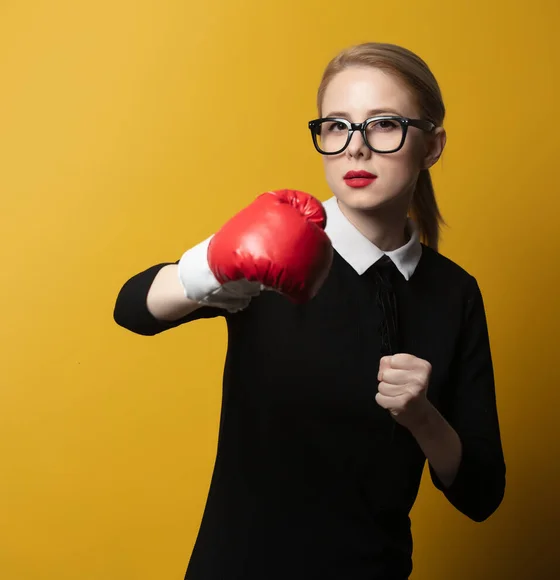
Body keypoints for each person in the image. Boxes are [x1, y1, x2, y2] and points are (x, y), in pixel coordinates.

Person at [113, 42, 506, 580]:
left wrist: (423, 417)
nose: (355, 150)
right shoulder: (282, 246)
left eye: (383, 125)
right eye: (336, 126)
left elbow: (481, 493)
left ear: (432, 145)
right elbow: (133, 308)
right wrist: (213, 262)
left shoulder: (453, 292)